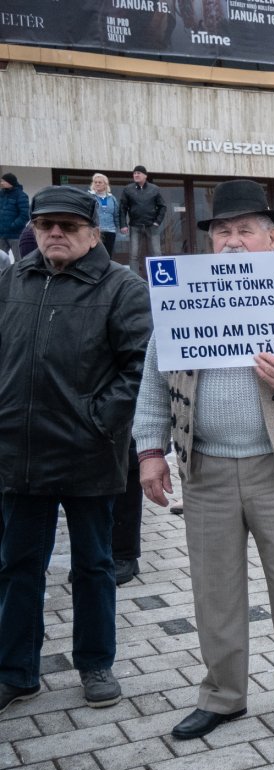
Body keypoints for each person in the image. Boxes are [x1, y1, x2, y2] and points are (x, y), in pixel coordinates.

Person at [134, 179, 274, 742]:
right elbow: (152, 381)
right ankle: (223, 695)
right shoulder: (183, 292)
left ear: (270, 237)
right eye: (223, 231)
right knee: (214, 589)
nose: (232, 241)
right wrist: (149, 450)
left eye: (244, 231)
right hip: (205, 466)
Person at [0, 186, 151, 715]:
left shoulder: (121, 288)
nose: (55, 234)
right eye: (45, 226)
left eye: (67, 225)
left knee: (93, 564)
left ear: (93, 231)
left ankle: (95, 663)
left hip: (89, 451)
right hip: (18, 453)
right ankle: (15, 670)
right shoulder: (11, 280)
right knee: (17, 565)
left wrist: (96, 419)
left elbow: (140, 369)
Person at [117, 165, 166, 276]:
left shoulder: (154, 189)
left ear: (145, 175)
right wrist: (123, 225)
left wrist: (157, 222)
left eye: (138, 173)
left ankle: (160, 278)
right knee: (133, 255)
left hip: (152, 226)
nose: (136, 175)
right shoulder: (128, 189)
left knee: (157, 253)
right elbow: (122, 208)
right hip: (135, 225)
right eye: (134, 173)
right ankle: (134, 279)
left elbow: (163, 206)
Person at [89, 173, 120, 256]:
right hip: (95, 230)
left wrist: (119, 227)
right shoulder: (90, 197)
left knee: (108, 254)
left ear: (105, 184)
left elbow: (116, 214)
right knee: (95, 254)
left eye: (100, 182)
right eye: (95, 182)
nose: (97, 184)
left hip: (110, 230)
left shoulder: (112, 198)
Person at [0, 172, 30, 255]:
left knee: (19, 261)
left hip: (16, 235)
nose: (1, 183)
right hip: (1, 235)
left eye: (3, 181)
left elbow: (25, 215)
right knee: (1, 261)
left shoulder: (21, 196)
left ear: (10, 182)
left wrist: (13, 226)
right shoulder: (1, 194)